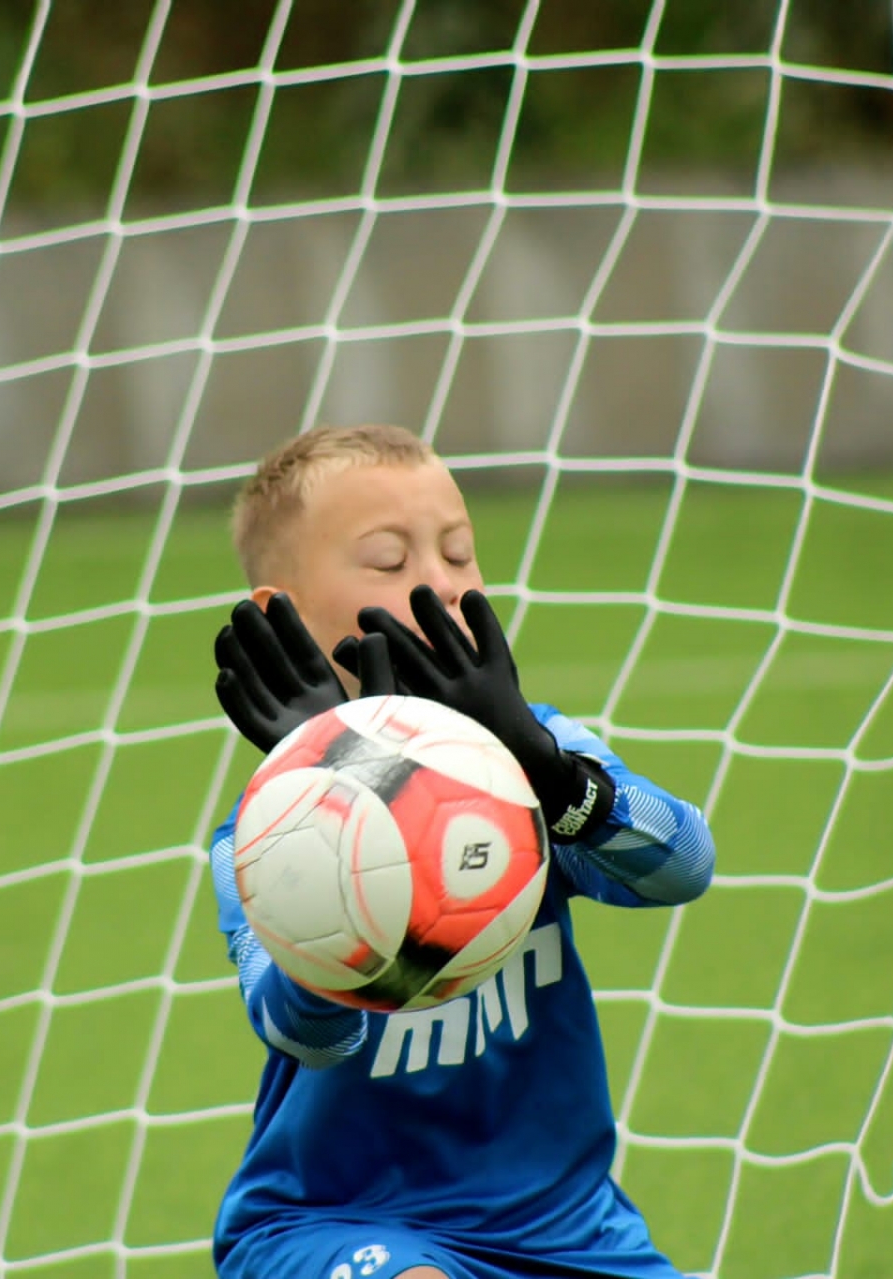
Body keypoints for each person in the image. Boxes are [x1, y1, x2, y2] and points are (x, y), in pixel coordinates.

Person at [207, 424, 716, 1279]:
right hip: (336, 1225)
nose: (439, 583)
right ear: (280, 614)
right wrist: (342, 781)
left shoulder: (536, 753)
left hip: (567, 1227)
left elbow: (682, 865)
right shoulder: (258, 837)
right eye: (387, 560)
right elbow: (305, 1031)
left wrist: (549, 775)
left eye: (458, 552)